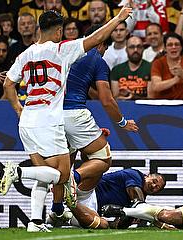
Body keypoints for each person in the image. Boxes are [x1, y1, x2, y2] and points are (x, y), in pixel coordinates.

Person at [0, 7, 133, 232]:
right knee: (61, 175)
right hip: (48, 121)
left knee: (43, 174)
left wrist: (18, 109)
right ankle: (17, 172)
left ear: (38, 29)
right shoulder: (62, 49)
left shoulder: (24, 54)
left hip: (27, 121)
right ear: (59, 31)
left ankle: (35, 222)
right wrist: (118, 18)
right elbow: (97, 38)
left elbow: (8, 84)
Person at [47, 23, 139, 223]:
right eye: (105, 47)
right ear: (100, 42)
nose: (105, 51)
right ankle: (75, 180)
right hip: (74, 112)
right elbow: (107, 100)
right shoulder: (97, 60)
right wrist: (122, 122)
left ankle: (56, 212)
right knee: (103, 157)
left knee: (65, 163)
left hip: (51, 115)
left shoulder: (63, 50)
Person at [52, 169, 166, 229]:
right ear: (148, 175)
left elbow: (117, 225)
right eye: (154, 181)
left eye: (157, 188)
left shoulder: (140, 204)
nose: (154, 186)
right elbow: (137, 202)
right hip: (89, 192)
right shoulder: (135, 175)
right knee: (101, 166)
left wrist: (125, 220)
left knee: (104, 225)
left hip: (90, 211)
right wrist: (155, 219)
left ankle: (64, 213)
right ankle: (69, 177)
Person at [149, 32, 183, 100]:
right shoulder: (158, 63)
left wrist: (182, 73)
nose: (174, 47)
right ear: (165, 48)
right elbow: (156, 86)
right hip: (164, 102)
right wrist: (175, 80)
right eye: (170, 45)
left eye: (177, 44)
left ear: (181, 47)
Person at [110, 35, 152, 100]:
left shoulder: (151, 68)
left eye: (139, 47)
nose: (135, 50)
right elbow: (115, 97)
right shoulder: (116, 70)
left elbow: (151, 98)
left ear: (143, 49)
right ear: (126, 50)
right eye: (132, 47)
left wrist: (134, 97)